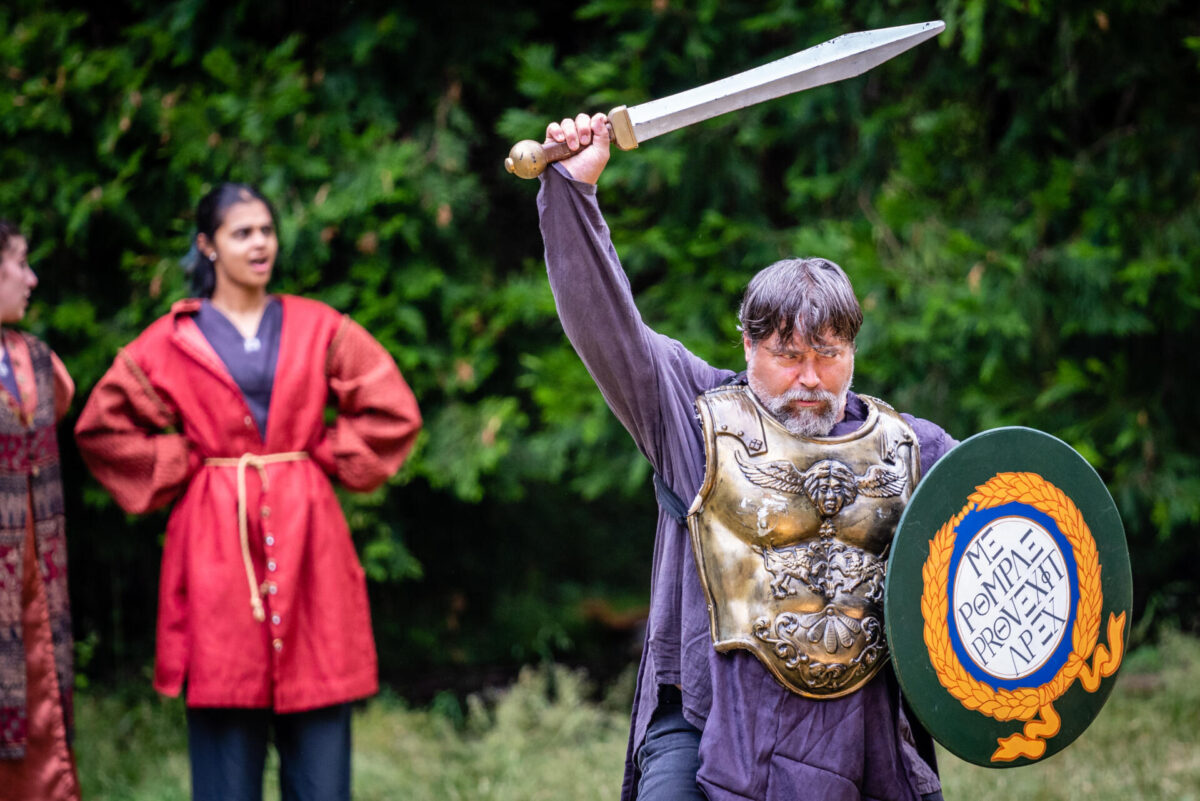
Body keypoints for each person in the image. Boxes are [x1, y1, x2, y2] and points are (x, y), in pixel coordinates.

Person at [536, 113, 958, 801]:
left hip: (851, 724)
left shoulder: (912, 447)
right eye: (788, 355)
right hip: (709, 715)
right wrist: (576, 195)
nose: (811, 377)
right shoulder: (694, 417)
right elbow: (608, 329)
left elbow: (1002, 531)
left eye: (829, 354)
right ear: (748, 345)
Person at [74, 183, 422, 801]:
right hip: (214, 557)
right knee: (225, 764)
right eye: (242, 232)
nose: (260, 243)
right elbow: (103, 429)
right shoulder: (171, 339)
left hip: (309, 543)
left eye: (267, 229)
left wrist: (322, 453)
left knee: (321, 770)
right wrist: (182, 459)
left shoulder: (320, 326)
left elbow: (392, 409)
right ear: (208, 246)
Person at [0, 221, 80, 800]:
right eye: (19, 262)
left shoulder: (31, 358)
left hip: (28, 585)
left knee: (35, 725)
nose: (31, 277)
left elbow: (59, 400)